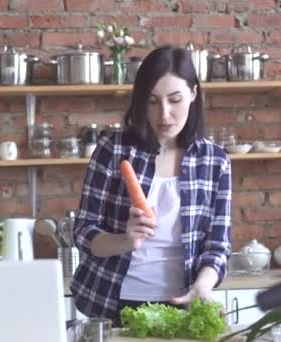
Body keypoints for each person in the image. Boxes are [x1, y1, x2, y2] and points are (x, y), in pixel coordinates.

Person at [70, 46, 232, 325]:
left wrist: (203, 286)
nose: (164, 114)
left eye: (175, 99)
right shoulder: (113, 149)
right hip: (114, 302)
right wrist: (126, 239)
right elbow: (84, 232)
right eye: (153, 101)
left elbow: (218, 244)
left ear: (193, 94)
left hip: (184, 302)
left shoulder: (215, 160)